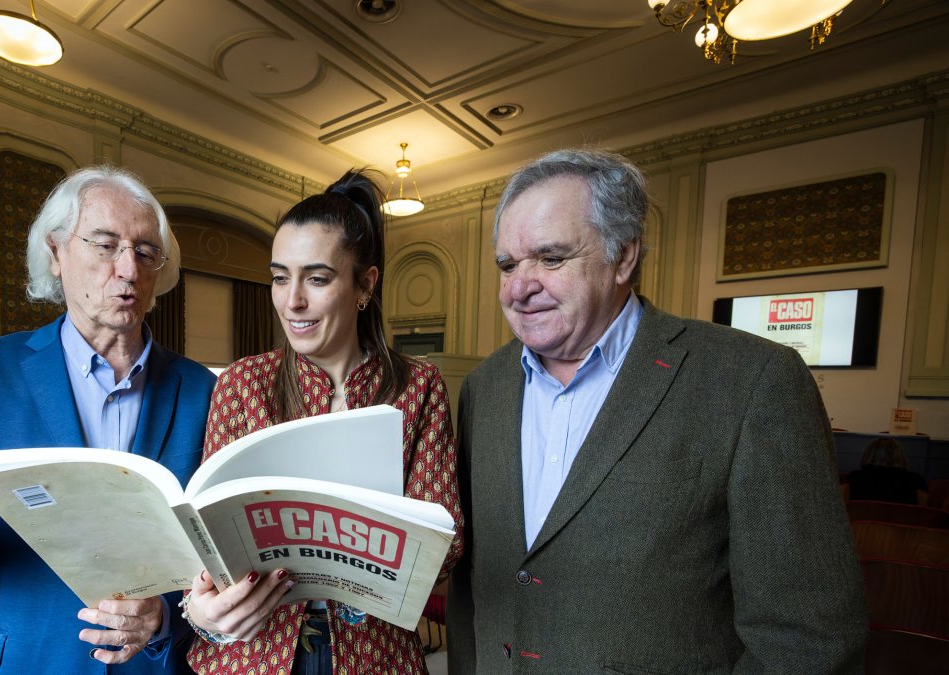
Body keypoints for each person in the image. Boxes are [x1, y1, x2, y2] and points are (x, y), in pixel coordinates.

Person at [446, 148, 868, 672]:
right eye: (507, 265)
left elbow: (807, 638)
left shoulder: (753, 382)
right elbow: (472, 591)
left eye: (551, 258)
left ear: (624, 256)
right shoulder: (482, 388)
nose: (519, 287)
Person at [0, 166, 215, 673]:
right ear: (57, 252)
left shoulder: (204, 392)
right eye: (105, 246)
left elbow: (223, 555)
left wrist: (166, 619)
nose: (128, 269)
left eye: (146, 252)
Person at [182, 169, 464, 673]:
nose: (292, 301)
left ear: (365, 284)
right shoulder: (242, 385)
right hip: (257, 653)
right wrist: (202, 609)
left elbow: (447, 543)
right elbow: (207, 541)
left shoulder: (418, 387)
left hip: (375, 654)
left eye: (316, 278)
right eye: (279, 277)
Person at [847, 437, 929, 504]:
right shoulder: (916, 481)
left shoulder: (855, 478)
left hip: (861, 523)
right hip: (902, 522)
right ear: (900, 456)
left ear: (869, 455)